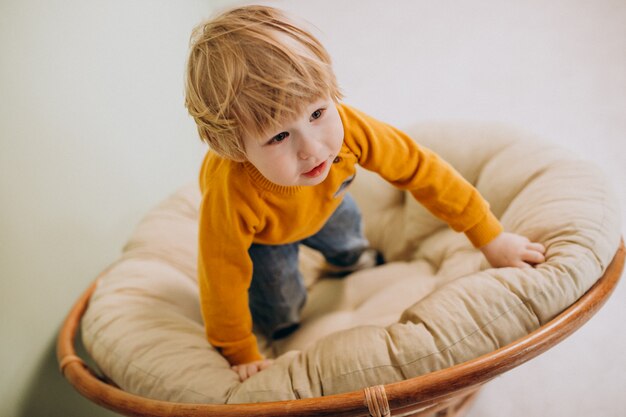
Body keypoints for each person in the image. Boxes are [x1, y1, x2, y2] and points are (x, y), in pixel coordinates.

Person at [184, 5, 546, 382]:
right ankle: (281, 329)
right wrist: (238, 348)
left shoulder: (352, 130)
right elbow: (220, 273)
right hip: (267, 237)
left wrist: (490, 236)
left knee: (349, 238)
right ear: (236, 149)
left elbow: (422, 169)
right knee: (279, 305)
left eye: (317, 114)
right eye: (278, 137)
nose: (312, 149)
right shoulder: (231, 194)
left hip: (330, 200)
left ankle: (351, 261)